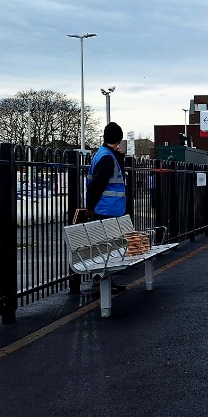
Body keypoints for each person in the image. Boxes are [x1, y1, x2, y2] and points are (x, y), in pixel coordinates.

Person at [86, 122, 128, 292]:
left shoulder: (103, 154)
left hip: (106, 208)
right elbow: (98, 184)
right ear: (118, 138)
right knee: (107, 248)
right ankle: (100, 281)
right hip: (107, 209)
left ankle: (104, 280)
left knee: (106, 247)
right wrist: (90, 206)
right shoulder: (107, 157)